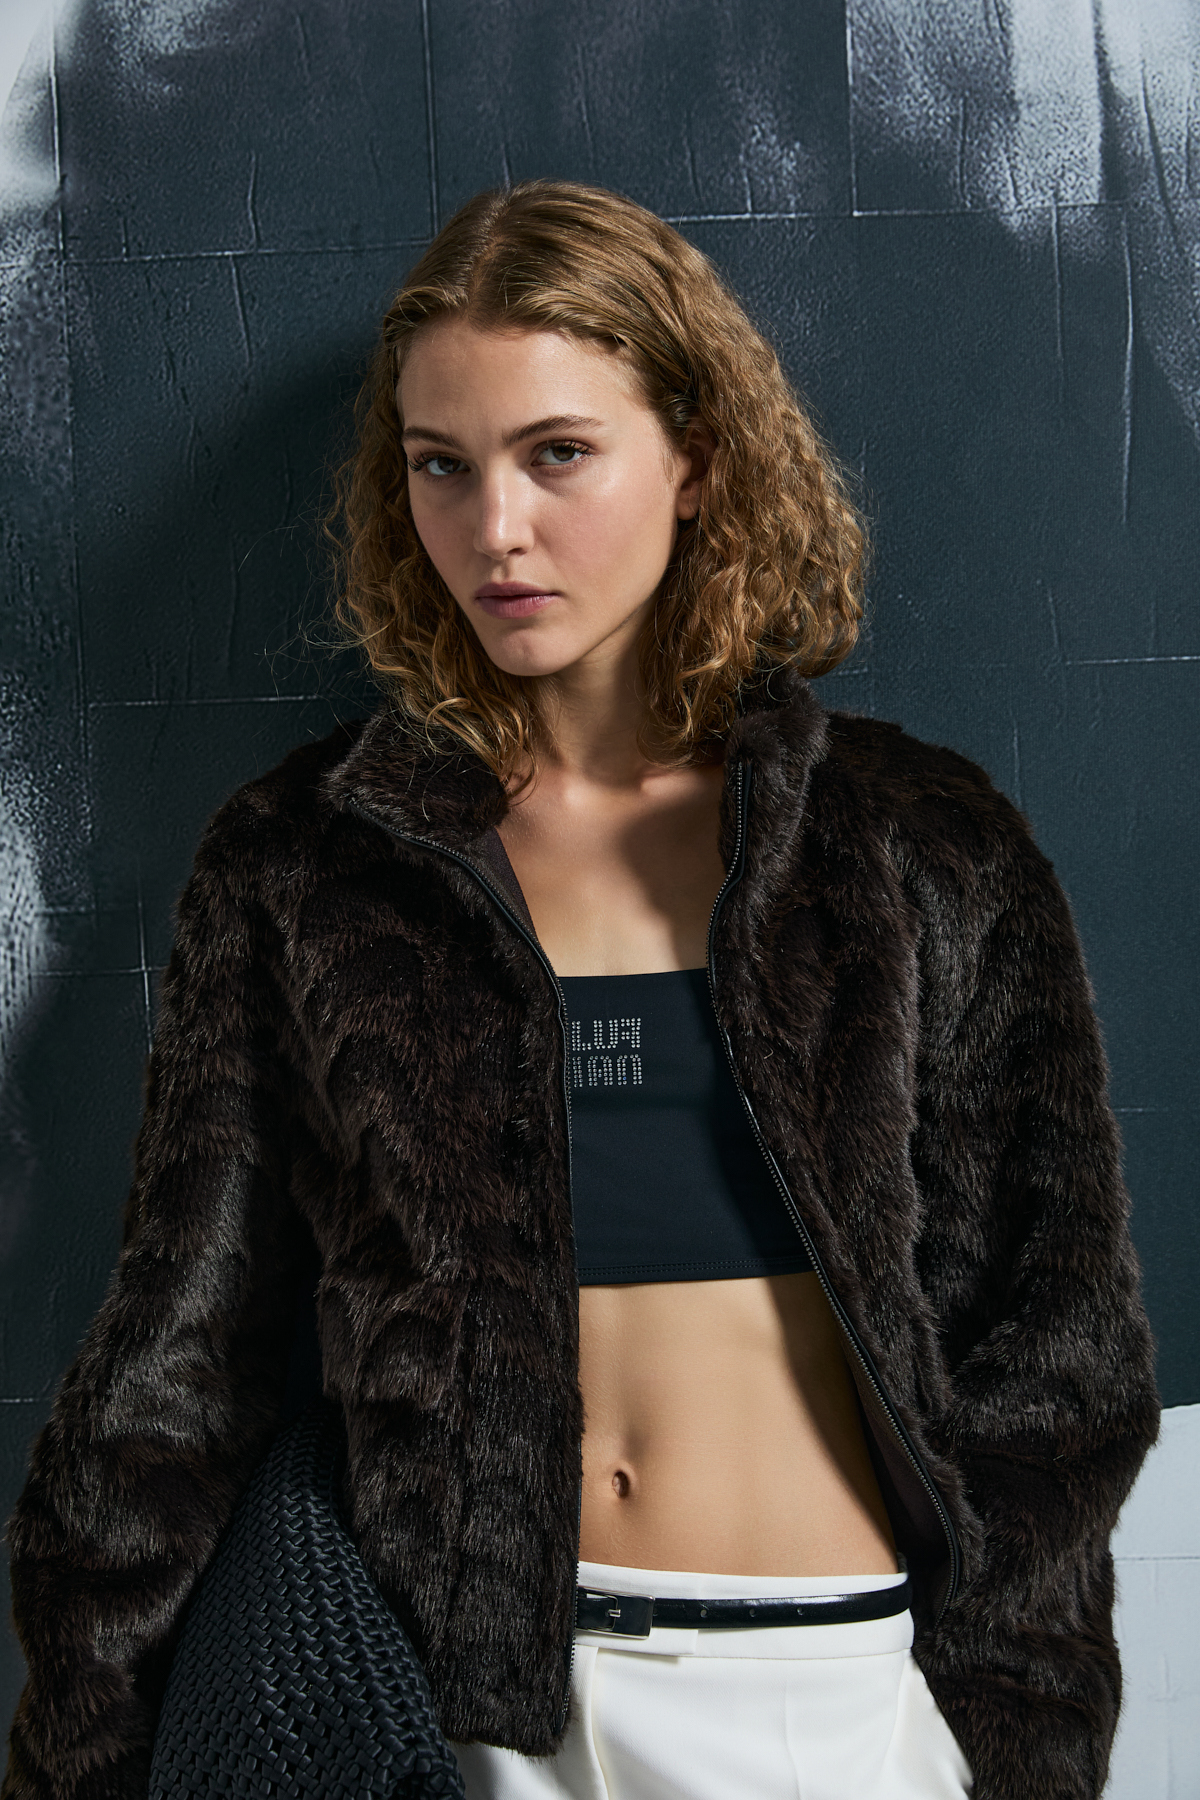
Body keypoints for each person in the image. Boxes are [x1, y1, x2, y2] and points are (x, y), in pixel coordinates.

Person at [2, 181, 1158, 1800]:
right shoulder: (308, 864)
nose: (494, 530)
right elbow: (176, 1366)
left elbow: (1051, 1367)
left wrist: (1024, 1743)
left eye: (557, 454)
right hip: (454, 1713)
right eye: (441, 465)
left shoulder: (914, 849)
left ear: (696, 457)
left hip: (812, 1696)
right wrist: (78, 1757)